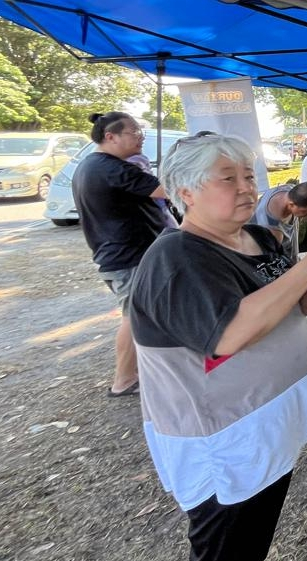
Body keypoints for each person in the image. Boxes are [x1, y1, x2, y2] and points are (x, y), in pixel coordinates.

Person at [128, 133, 307, 561]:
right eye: (227, 178)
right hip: (225, 439)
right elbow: (230, 333)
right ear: (186, 193)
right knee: (228, 547)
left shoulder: (258, 237)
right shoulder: (176, 258)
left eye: (247, 175)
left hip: (270, 422)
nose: (245, 186)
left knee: (257, 531)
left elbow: (282, 307)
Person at [72, 112, 168, 398]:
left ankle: (140, 371)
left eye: (140, 130)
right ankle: (124, 379)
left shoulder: (92, 165)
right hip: (128, 256)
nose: (140, 136)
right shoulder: (113, 168)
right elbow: (168, 191)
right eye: (133, 131)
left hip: (120, 253)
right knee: (134, 316)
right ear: (111, 136)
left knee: (144, 314)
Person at [250, 181, 307, 263]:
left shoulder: (290, 190)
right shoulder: (272, 228)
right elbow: (273, 262)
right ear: (291, 205)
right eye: (306, 211)